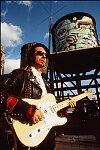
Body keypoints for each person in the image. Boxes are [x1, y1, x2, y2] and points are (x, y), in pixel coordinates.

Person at [0, 42, 76, 150]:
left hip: (47, 133)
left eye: (46, 55)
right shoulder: (20, 74)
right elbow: (2, 93)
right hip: (29, 129)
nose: (44, 56)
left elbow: (51, 106)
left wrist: (65, 105)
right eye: (40, 53)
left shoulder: (46, 81)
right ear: (31, 56)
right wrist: (28, 109)